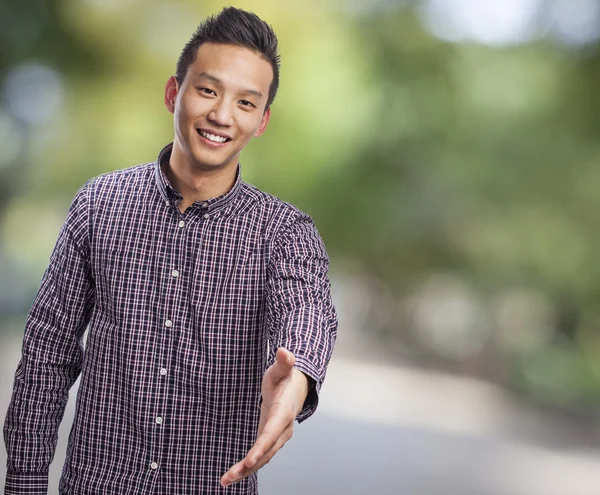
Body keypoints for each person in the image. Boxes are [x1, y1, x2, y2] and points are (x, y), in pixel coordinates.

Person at [3, 7, 338, 494]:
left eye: (246, 103)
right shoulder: (99, 204)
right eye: (207, 90)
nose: (222, 115)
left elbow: (307, 308)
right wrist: (25, 483)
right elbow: (46, 355)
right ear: (172, 93)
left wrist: (296, 381)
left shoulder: (284, 232)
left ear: (261, 121)